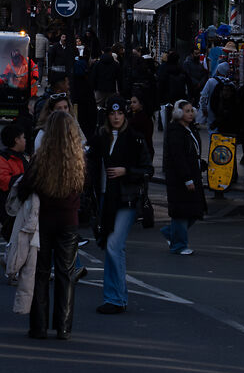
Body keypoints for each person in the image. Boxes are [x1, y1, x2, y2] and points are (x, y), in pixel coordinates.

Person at [20, 107, 87, 340]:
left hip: (44, 219)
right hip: (68, 220)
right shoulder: (78, 158)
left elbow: (26, 186)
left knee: (40, 273)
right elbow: (81, 188)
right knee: (65, 274)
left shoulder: (41, 158)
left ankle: (38, 326)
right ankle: (64, 327)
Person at [92, 101, 150, 314]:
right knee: (109, 245)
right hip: (106, 197)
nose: (116, 117)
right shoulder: (101, 137)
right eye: (112, 113)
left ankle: (117, 298)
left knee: (114, 245)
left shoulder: (135, 138)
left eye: (119, 113)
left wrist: (126, 171)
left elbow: (147, 169)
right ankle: (113, 296)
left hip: (127, 198)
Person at [158, 99, 204, 256]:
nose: (190, 114)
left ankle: (170, 232)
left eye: (191, 110)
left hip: (192, 174)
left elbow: (192, 152)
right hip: (179, 179)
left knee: (193, 211)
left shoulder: (190, 129)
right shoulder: (175, 131)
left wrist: (200, 164)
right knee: (182, 212)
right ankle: (179, 244)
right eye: (187, 111)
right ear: (178, 113)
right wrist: (187, 178)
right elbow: (178, 157)